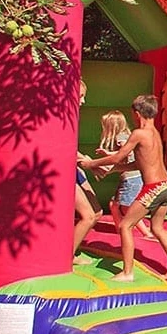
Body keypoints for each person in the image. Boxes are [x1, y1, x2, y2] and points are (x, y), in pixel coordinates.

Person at [79, 95, 167, 282]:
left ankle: (127, 272)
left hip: (154, 187)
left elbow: (118, 157)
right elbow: (138, 164)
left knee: (125, 225)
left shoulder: (138, 133)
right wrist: (111, 170)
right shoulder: (155, 134)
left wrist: (90, 163)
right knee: (158, 228)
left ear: (136, 114)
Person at [97, 109, 153, 241]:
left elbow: (125, 153)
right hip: (132, 177)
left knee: (127, 208)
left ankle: (144, 232)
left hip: (131, 178)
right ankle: (120, 230)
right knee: (114, 205)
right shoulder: (126, 135)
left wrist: (107, 154)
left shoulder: (121, 137)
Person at [73, 81, 100, 259]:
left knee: (97, 212)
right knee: (89, 216)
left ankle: (71, 245)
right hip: (67, 172)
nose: (83, 101)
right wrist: (88, 162)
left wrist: (88, 162)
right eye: (81, 96)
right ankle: (67, 256)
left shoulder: (74, 116)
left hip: (76, 169)